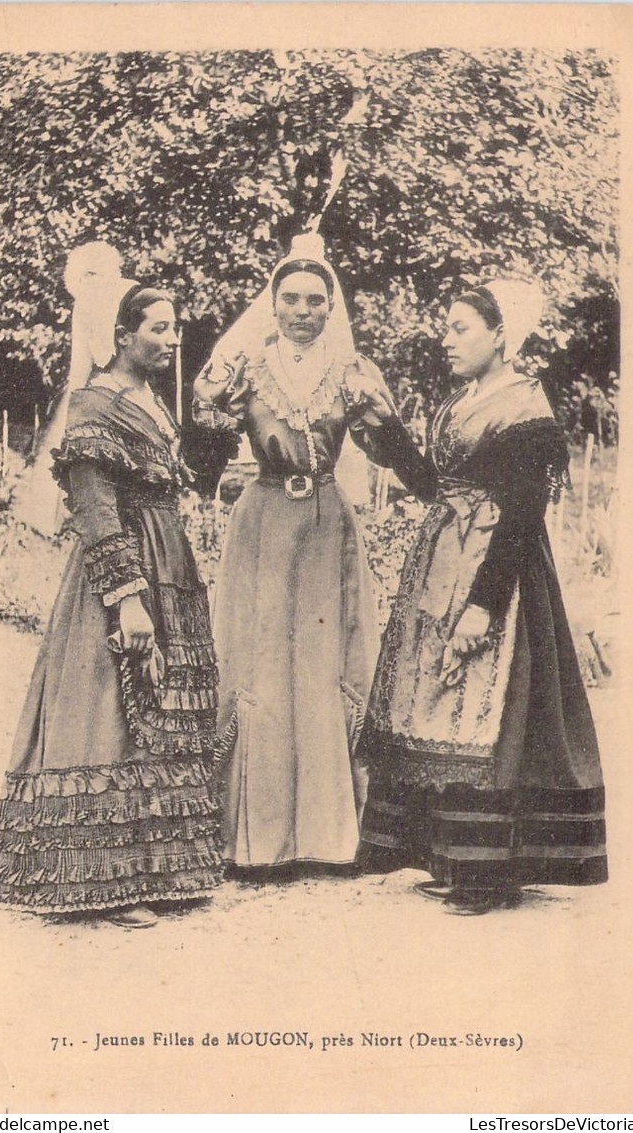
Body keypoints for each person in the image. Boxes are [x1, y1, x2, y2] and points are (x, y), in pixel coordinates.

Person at [355, 280, 608, 914]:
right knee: (436, 703)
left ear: (502, 336)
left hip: (498, 568)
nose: (446, 338)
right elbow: (434, 485)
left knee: (485, 707)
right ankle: (452, 856)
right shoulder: (463, 399)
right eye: (447, 326)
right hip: (442, 558)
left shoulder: (525, 409)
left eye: (461, 327)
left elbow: (523, 517)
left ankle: (489, 872)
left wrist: (482, 605)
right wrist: (388, 435)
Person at [0, 281, 224, 927]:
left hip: (168, 557)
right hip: (121, 566)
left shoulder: (152, 400)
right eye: (157, 328)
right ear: (123, 336)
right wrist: (126, 598)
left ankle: (158, 868)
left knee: (161, 712)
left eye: (175, 328)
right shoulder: (95, 402)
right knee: (115, 712)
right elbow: (93, 502)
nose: (171, 339)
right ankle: (110, 883)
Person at [192, 234, 394, 873]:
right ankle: (258, 840)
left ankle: (329, 838)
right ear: (272, 304)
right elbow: (201, 434)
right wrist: (221, 472)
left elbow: (386, 444)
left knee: (323, 661)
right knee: (261, 662)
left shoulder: (352, 371)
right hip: (265, 519)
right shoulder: (245, 366)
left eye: (314, 300)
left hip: (328, 521)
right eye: (291, 300)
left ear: (331, 307)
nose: (302, 311)